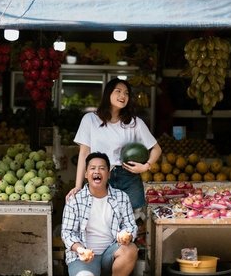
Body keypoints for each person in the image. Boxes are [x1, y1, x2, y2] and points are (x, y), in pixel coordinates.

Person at [66, 77, 162, 210]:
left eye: (126, 93)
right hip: (101, 176)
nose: (123, 96)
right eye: (118, 91)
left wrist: (146, 166)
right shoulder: (90, 120)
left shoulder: (135, 123)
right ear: (108, 94)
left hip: (128, 177)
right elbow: (84, 154)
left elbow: (156, 149)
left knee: (134, 220)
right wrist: (78, 185)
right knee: (102, 221)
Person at [61, 152, 138, 276]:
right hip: (83, 255)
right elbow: (67, 233)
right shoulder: (75, 200)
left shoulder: (121, 197)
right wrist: (80, 249)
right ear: (86, 174)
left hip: (110, 253)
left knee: (130, 249)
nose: (97, 171)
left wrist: (127, 235)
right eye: (93, 168)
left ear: (108, 174)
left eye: (102, 168)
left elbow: (131, 225)